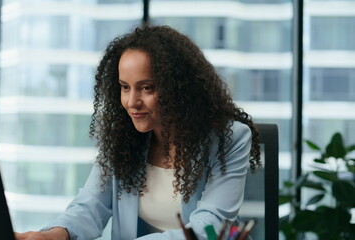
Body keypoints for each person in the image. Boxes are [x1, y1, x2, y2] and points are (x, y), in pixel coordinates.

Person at [15, 25, 261, 240]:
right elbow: (92, 203)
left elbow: (211, 225)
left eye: (147, 88)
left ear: (178, 88)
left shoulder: (229, 138)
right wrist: (56, 234)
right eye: (125, 87)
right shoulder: (123, 139)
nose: (132, 102)